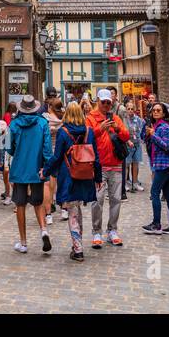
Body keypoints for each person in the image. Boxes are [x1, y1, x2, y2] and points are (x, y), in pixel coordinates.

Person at [44, 102, 101, 261]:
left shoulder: (63, 132)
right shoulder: (89, 131)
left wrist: (45, 171)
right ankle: (78, 245)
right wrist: (98, 177)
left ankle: (78, 249)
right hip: (85, 176)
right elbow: (96, 157)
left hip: (69, 176)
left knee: (73, 213)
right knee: (76, 211)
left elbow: (56, 157)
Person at [7, 95, 53, 254]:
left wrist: (16, 150)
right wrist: (46, 167)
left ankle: (23, 242)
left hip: (20, 168)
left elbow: (8, 147)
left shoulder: (13, 124)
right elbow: (47, 149)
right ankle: (43, 230)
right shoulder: (42, 123)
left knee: (20, 204)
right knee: (38, 202)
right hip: (36, 168)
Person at [86, 88, 130, 247]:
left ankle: (112, 230)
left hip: (116, 165)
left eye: (108, 102)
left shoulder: (116, 118)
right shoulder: (91, 118)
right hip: (99, 166)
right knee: (97, 200)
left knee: (116, 199)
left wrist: (117, 129)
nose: (105, 105)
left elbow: (126, 136)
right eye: (103, 102)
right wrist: (100, 129)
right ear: (97, 101)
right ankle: (96, 231)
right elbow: (86, 137)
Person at [142, 101, 169, 235]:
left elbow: (166, 145)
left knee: (154, 192)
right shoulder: (155, 126)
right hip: (159, 163)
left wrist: (153, 135)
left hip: (163, 164)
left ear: (164, 113)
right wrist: (148, 134)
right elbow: (145, 140)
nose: (156, 112)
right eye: (154, 110)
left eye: (158, 110)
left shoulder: (164, 127)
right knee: (168, 195)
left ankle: (156, 224)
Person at [43, 95, 63, 225]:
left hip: (48, 153)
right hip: (60, 153)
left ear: (50, 107)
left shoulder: (45, 119)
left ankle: (49, 211)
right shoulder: (62, 121)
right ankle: (64, 209)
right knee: (60, 181)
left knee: (48, 183)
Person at [125, 100, 145, 192]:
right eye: (128, 109)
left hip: (137, 144)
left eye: (132, 109)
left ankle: (135, 182)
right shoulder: (124, 120)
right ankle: (125, 182)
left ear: (135, 110)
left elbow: (141, 131)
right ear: (126, 109)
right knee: (126, 164)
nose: (130, 110)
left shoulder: (139, 120)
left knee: (136, 163)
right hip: (127, 144)